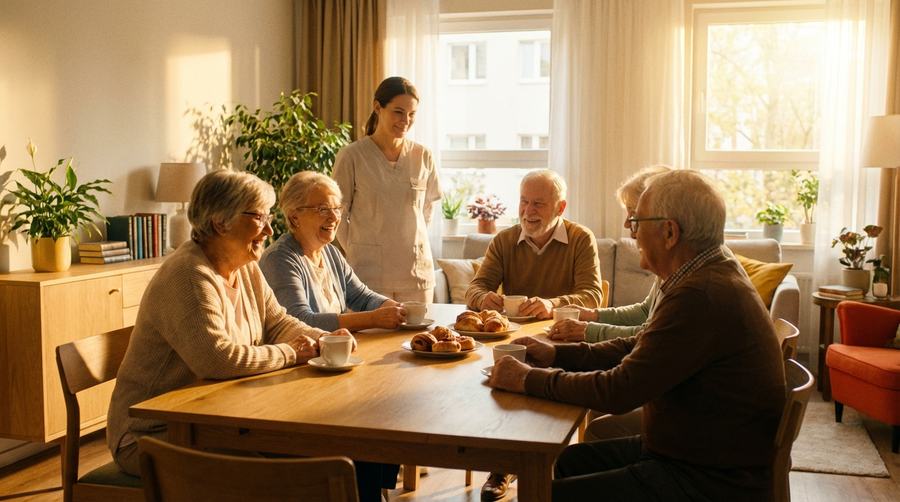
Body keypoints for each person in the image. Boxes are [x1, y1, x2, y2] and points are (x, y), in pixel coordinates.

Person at [489, 169, 786, 501]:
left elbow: (620, 390)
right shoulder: (706, 274)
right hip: (692, 451)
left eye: (636, 222)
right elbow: (642, 345)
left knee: (543, 495)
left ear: (670, 232)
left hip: (706, 478)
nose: (630, 233)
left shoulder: (700, 295)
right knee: (573, 460)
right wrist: (558, 355)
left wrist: (528, 379)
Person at [105, 170, 383, 502]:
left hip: (218, 416)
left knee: (348, 452)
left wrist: (323, 339)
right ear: (221, 223)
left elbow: (278, 322)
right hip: (153, 434)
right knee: (291, 479)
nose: (269, 229)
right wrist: (293, 353)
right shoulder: (189, 275)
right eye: (259, 218)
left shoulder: (246, 266)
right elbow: (218, 359)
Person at [465, 169, 603, 501]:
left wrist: (553, 305)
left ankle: (532, 463)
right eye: (524, 201)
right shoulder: (504, 240)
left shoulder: (580, 239)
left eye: (538, 203)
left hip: (563, 340)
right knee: (496, 375)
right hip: (514, 339)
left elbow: (593, 295)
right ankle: (505, 463)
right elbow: (476, 287)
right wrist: (484, 298)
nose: (528, 211)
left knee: (532, 381)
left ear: (560, 207)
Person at [333, 76, 441, 303]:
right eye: (398, 112)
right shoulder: (352, 156)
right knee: (373, 339)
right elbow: (338, 214)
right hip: (367, 275)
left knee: (417, 338)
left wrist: (410, 240)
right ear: (377, 108)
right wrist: (357, 250)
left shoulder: (423, 156)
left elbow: (427, 210)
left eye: (412, 114)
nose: (406, 121)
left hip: (416, 272)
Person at [259, 171, 407, 332]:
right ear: (294, 216)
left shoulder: (331, 252)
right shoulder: (279, 259)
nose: (334, 217)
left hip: (336, 350)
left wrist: (398, 309)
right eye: (323, 209)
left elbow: (361, 297)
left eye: (337, 209)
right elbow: (300, 320)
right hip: (304, 355)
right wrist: (373, 319)